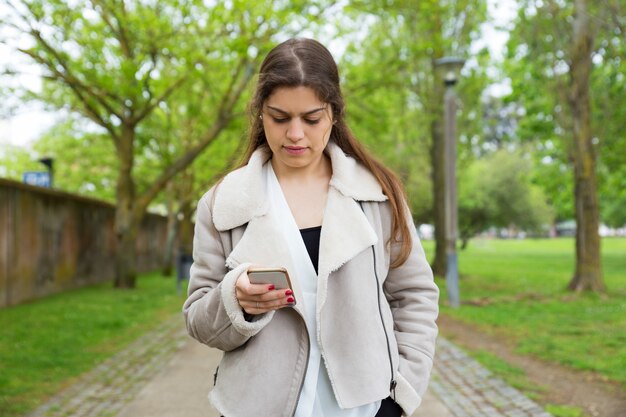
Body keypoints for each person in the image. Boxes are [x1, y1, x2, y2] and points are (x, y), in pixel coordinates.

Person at [183, 38, 439, 417]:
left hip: (366, 408)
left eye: (311, 118)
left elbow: (415, 296)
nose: (296, 134)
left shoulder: (379, 195)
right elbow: (198, 319)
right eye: (280, 118)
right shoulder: (222, 204)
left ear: (334, 113)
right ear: (260, 114)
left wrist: (400, 395)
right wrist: (235, 302)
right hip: (256, 407)